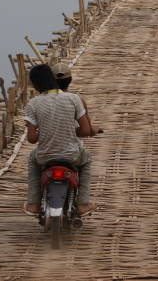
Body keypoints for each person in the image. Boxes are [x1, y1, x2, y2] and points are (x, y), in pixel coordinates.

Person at [23, 64, 99, 216]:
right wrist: (69, 130)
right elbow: (85, 130)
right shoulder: (73, 99)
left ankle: (33, 203)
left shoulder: (33, 104)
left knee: (32, 159)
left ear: (35, 84)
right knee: (87, 159)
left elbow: (31, 138)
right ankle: (83, 203)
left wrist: (45, 132)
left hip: (45, 155)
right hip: (72, 155)